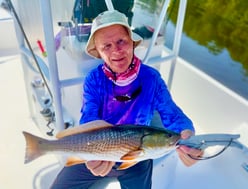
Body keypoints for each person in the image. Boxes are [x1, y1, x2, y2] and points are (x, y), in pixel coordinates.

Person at [51, 10, 202, 189]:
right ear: (99, 52)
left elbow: (173, 114)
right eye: (106, 46)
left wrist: (187, 138)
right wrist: (93, 155)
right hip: (100, 151)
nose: (116, 50)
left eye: (121, 41)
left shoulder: (151, 78)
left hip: (138, 156)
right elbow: (89, 118)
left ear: (132, 42)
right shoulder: (94, 79)